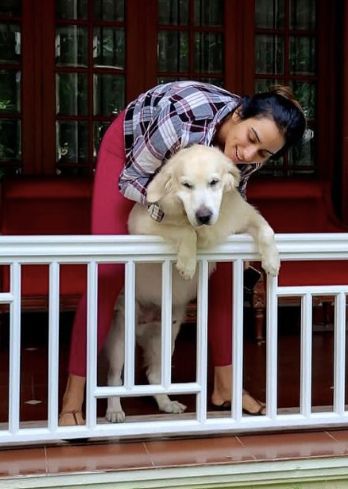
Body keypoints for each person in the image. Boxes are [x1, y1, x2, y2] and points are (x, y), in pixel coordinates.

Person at [58, 80, 306, 425]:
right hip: (132, 159)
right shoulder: (180, 118)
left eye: (263, 153)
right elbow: (139, 190)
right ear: (238, 115)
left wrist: (218, 230)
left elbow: (229, 204)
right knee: (110, 269)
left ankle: (226, 387)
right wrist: (183, 229)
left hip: (188, 176)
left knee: (226, 269)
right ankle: (73, 398)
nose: (249, 155)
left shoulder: (245, 156)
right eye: (251, 139)